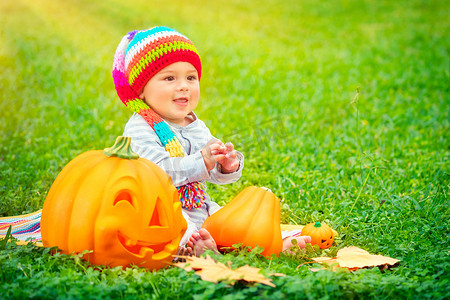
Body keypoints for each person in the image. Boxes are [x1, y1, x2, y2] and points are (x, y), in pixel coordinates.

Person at [112, 26, 311, 256]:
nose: (184, 85)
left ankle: (265, 243)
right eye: (169, 78)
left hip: (201, 208)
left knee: (234, 221)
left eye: (190, 77)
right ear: (141, 91)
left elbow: (212, 172)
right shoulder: (139, 128)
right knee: (177, 229)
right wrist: (201, 161)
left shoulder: (195, 124)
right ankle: (200, 249)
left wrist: (226, 165)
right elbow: (156, 175)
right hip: (163, 211)